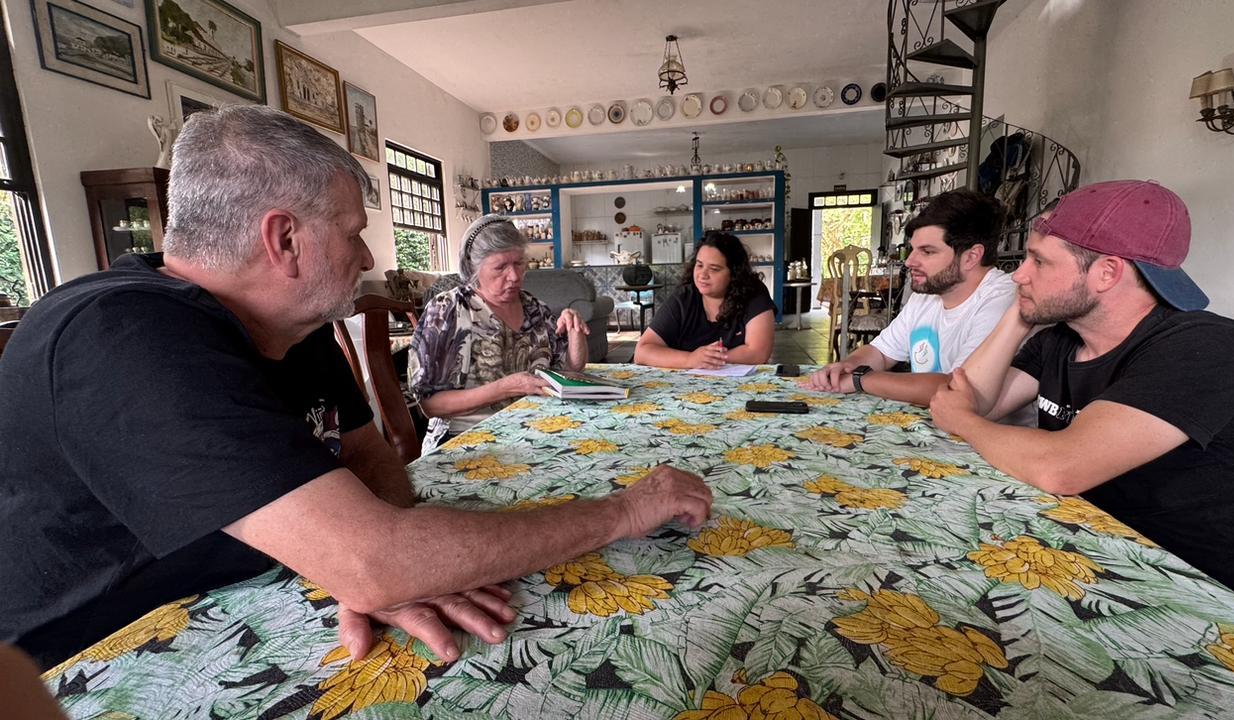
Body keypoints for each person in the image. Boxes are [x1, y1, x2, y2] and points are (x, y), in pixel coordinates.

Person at [0, 105, 713, 671]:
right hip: (80, 661)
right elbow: (377, 559)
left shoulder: (289, 324)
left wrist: (381, 566)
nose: (369, 257)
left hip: (247, 598)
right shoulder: (122, 337)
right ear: (283, 240)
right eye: (351, 231)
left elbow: (373, 462)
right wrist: (624, 511)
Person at [929, 180, 1234, 612]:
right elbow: (978, 398)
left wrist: (964, 421)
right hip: (1100, 557)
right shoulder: (1063, 338)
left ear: (1107, 272)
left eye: (1038, 261)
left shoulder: (1206, 348)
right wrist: (1020, 317)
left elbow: (1059, 467)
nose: (1019, 274)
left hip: (1213, 597)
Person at [805, 188, 1016, 406]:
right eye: (912, 249)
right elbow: (881, 352)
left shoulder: (1001, 300)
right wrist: (848, 366)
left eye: (927, 252)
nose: (909, 262)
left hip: (984, 435)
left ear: (971, 257)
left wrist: (862, 379)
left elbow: (957, 389)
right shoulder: (928, 295)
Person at [410, 214, 588, 449]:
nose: (514, 276)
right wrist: (505, 388)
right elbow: (430, 405)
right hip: (467, 440)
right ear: (474, 269)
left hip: (534, 430)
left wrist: (575, 330)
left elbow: (570, 370)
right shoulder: (450, 310)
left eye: (518, 263)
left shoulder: (534, 308)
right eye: (500, 267)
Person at [634, 231, 775, 369]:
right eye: (699, 265)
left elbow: (759, 352)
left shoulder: (753, 293)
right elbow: (642, 352)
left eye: (714, 269)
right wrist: (690, 359)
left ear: (734, 274)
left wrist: (708, 359)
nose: (702, 275)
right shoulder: (684, 298)